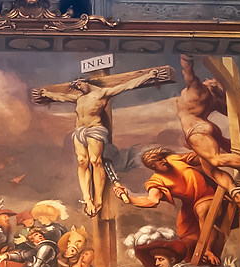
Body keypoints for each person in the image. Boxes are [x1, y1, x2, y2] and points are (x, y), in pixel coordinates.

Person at [32, 61, 176, 216]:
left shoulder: (103, 93)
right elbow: (60, 97)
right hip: (79, 131)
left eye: (79, 85)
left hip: (95, 130)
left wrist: (148, 76)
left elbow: (128, 85)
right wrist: (45, 94)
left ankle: (98, 199)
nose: (78, 88)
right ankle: (87, 198)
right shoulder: (79, 98)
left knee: (96, 161)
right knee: (82, 162)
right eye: (76, 87)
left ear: (86, 82)